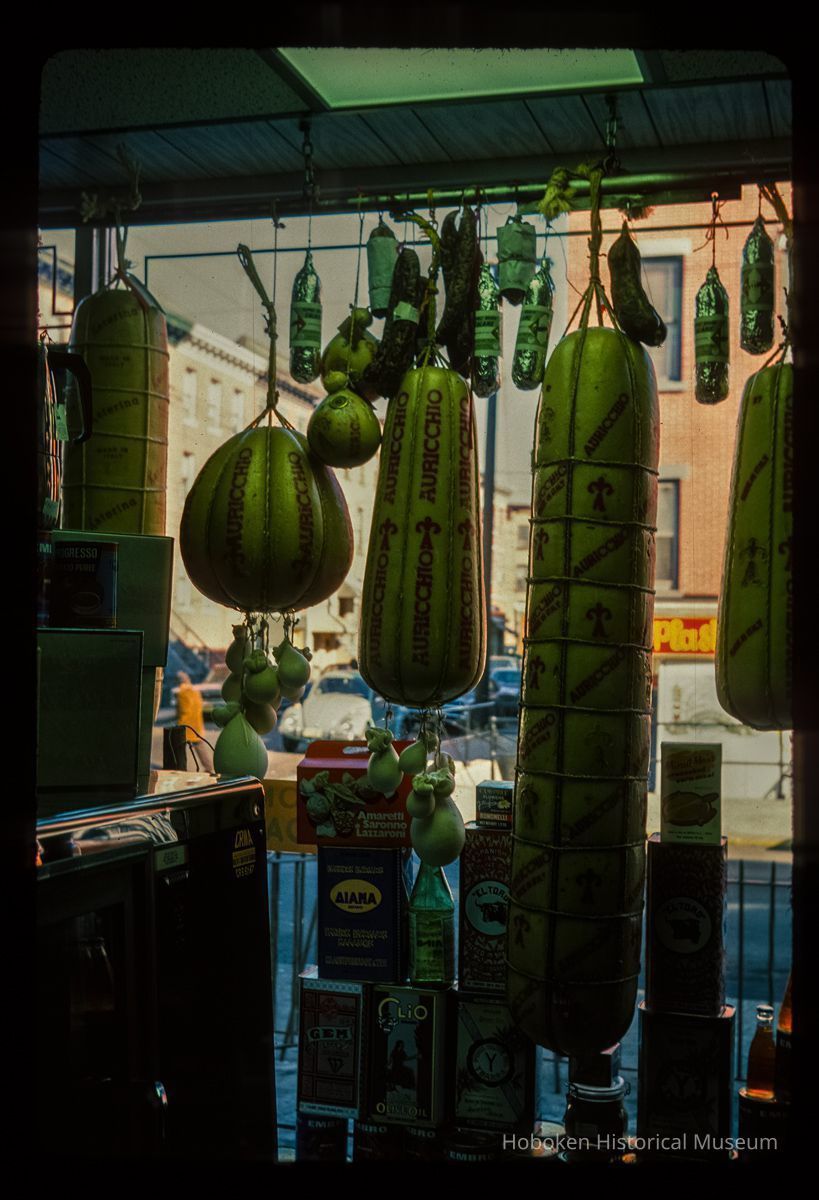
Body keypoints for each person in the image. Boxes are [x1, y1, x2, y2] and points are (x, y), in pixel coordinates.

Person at [174, 671, 214, 771]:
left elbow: (183, 710)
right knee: (200, 747)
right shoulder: (195, 691)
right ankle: (209, 767)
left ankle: (179, 768)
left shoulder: (181, 692)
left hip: (185, 724)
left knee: (178, 749)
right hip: (196, 724)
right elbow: (199, 705)